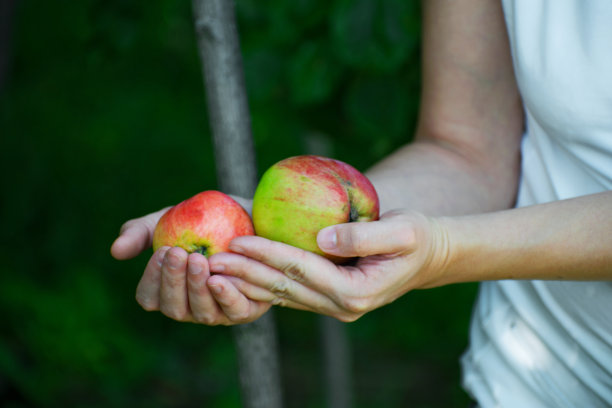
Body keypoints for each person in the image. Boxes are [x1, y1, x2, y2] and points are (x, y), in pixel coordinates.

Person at [111, 0, 612, 406]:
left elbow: (443, 240)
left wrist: (442, 251)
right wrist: (322, 232)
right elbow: (467, 149)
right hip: (537, 372)